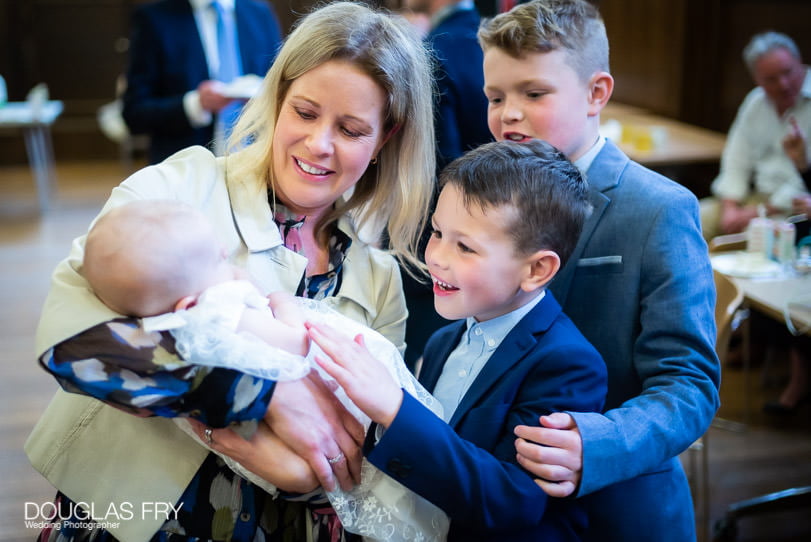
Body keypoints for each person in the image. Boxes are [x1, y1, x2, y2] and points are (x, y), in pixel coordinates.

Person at [25, 2, 436, 541]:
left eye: (352, 129)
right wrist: (263, 394)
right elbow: (73, 342)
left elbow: (368, 449)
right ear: (278, 97)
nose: (318, 145)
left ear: (386, 137)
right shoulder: (179, 190)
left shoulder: (378, 277)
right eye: (306, 113)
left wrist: (301, 478)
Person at [61, 199, 450, 540]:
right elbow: (296, 342)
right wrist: (285, 304)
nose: (225, 258)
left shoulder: (170, 326)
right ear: (189, 304)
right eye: (216, 259)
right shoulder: (220, 312)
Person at [477, 1, 720, 540]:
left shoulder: (659, 209)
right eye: (496, 96)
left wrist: (600, 442)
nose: (507, 114)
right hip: (503, 499)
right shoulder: (484, 199)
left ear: (596, 93)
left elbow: (689, 384)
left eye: (533, 93)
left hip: (618, 504)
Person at [307, 139, 608, 541]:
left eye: (465, 246)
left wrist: (394, 408)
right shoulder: (442, 340)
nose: (437, 257)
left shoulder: (567, 363)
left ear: (536, 269)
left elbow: (513, 500)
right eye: (437, 232)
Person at [398, 0, 494, 370]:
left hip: (431, 252)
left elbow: (438, 165)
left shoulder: (435, 50)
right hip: (488, 245)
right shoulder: (487, 38)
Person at [122, 0, 283, 164]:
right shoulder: (154, 18)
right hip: (185, 167)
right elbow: (134, 112)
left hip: (257, 161)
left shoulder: (259, 13)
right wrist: (196, 104)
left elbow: (280, 83)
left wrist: (262, 95)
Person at [700, 30, 811, 240]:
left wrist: (755, 213)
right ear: (756, 79)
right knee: (690, 218)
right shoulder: (756, 102)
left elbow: (802, 183)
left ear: (800, 61)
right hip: (754, 198)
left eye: (788, 72)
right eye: (771, 79)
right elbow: (735, 159)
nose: (783, 84)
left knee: (755, 236)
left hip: (794, 208)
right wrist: (730, 208)